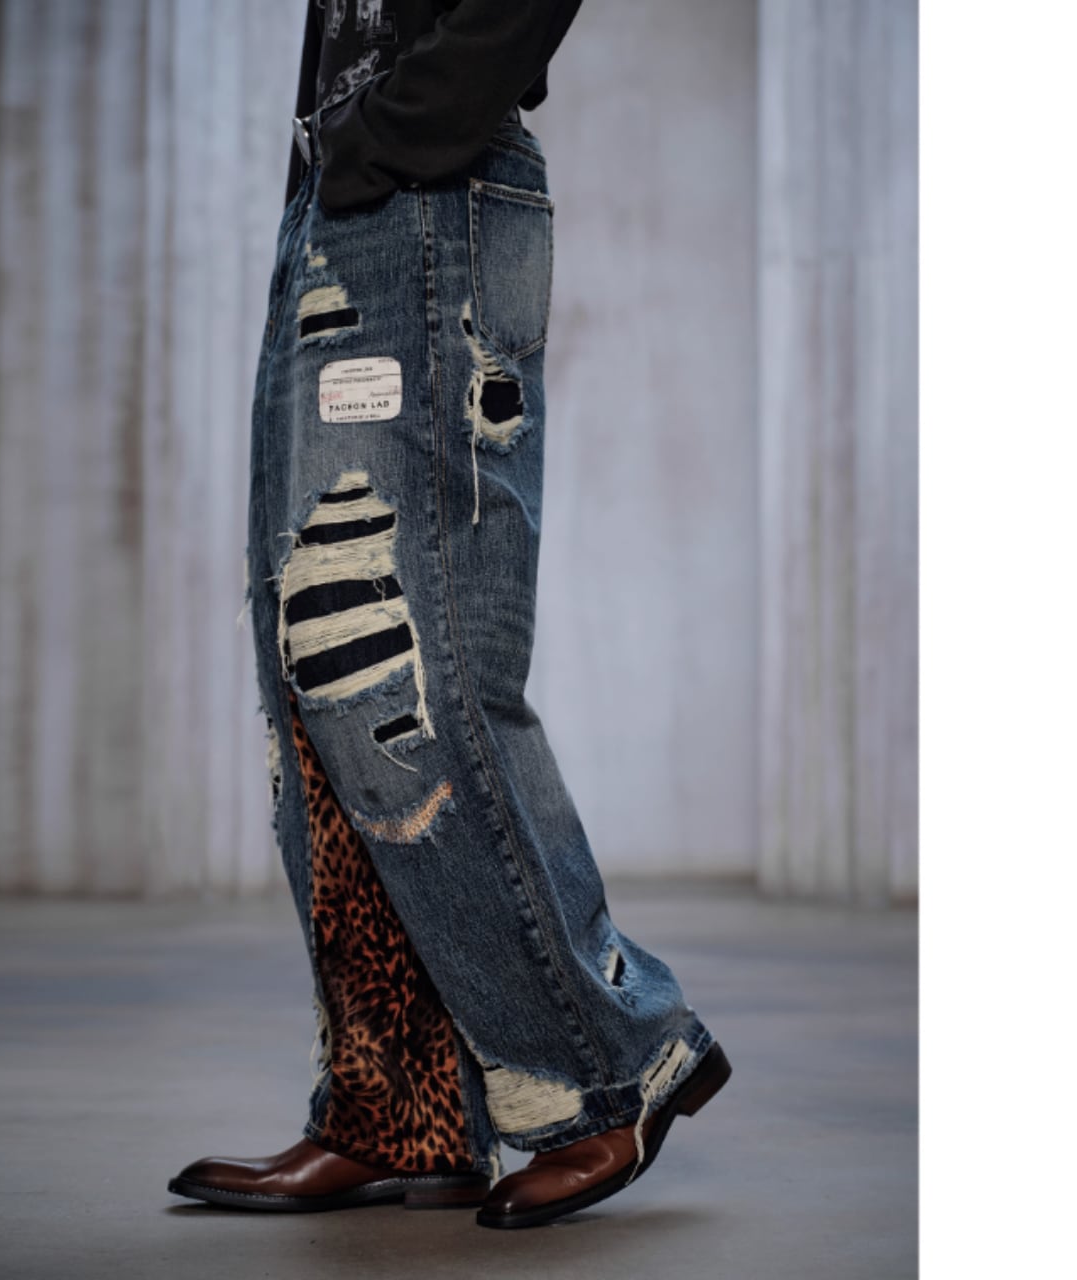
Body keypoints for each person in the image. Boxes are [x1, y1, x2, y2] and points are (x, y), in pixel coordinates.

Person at [167, 0, 730, 1229]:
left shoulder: (409, 154)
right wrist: (340, 167)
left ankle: (612, 1062)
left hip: (426, 192)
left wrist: (388, 137)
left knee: (405, 668)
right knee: (310, 670)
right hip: (342, 203)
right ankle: (399, 1104)